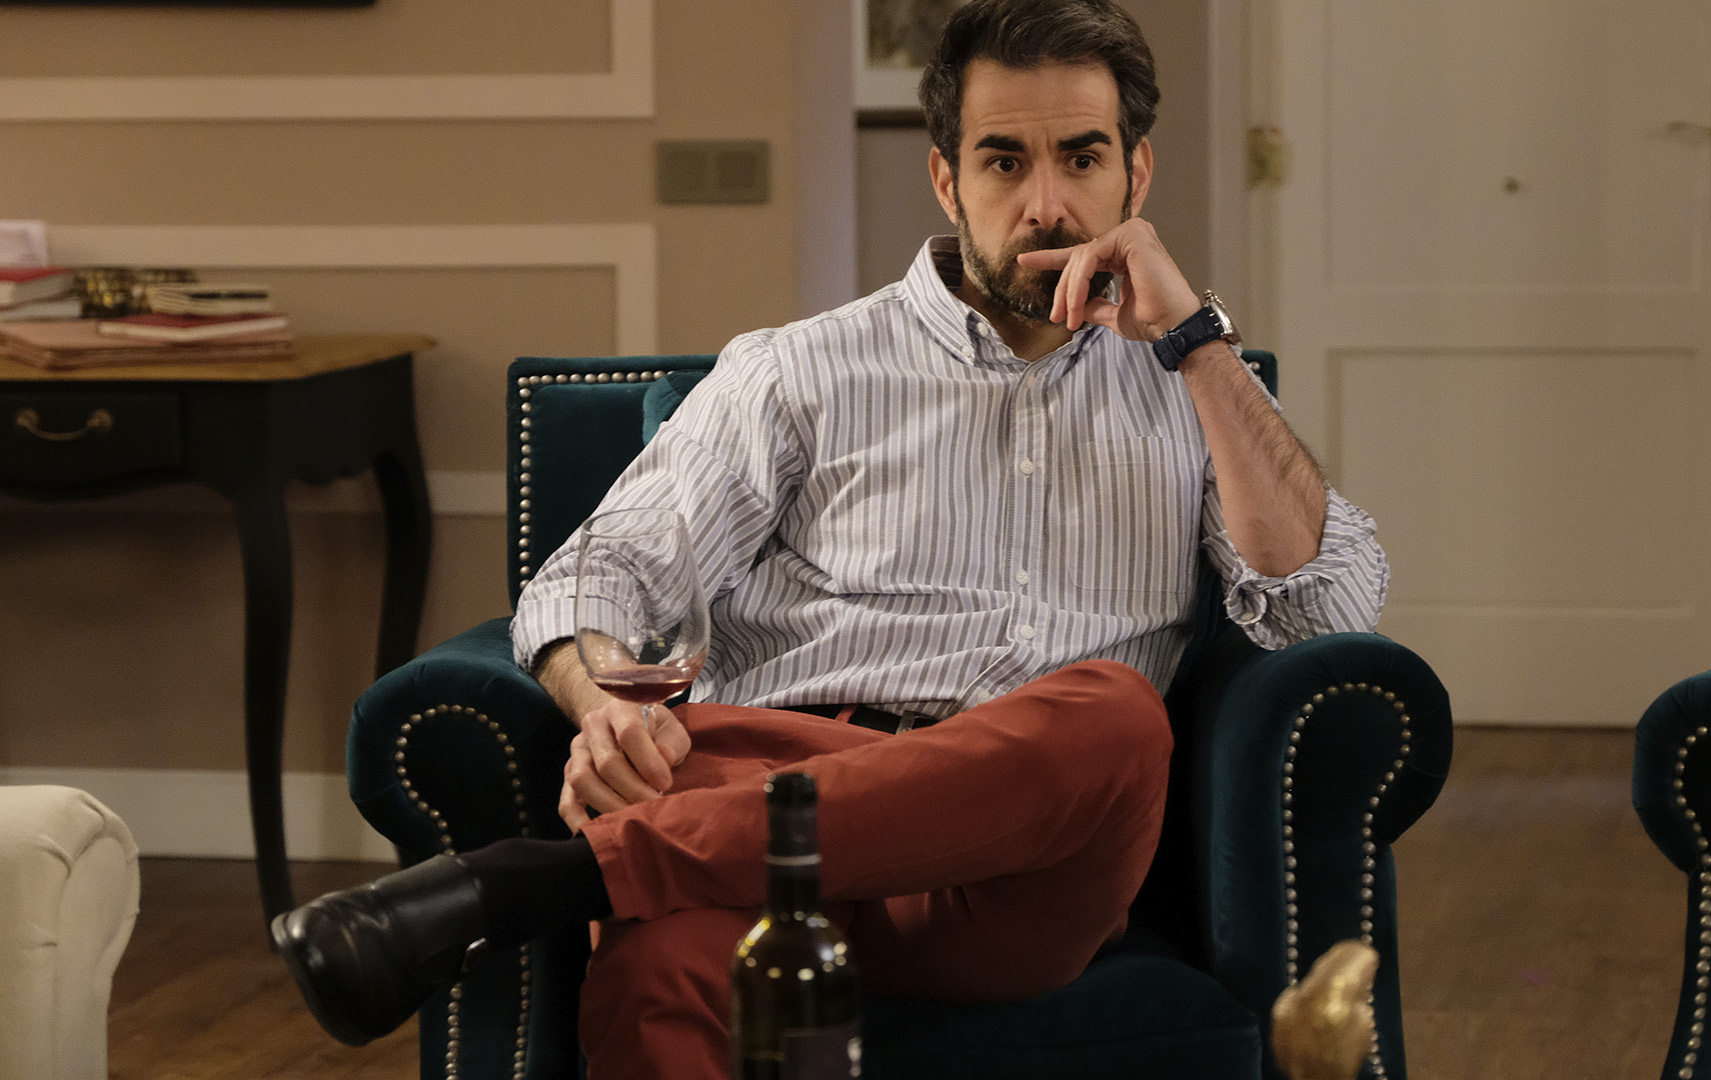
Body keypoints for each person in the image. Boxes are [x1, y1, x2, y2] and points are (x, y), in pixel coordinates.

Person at [270, 1, 1390, 1077]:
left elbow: (1327, 612)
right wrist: (605, 703)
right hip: (776, 817)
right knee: (662, 960)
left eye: (1081, 159)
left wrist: (1197, 343)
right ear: (947, 178)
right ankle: (620, 868)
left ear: (1136, 176)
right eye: (1004, 161)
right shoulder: (799, 371)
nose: (1045, 205)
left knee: (1116, 718)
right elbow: (599, 574)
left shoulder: (1194, 391)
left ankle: (526, 885)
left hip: (1010, 875)